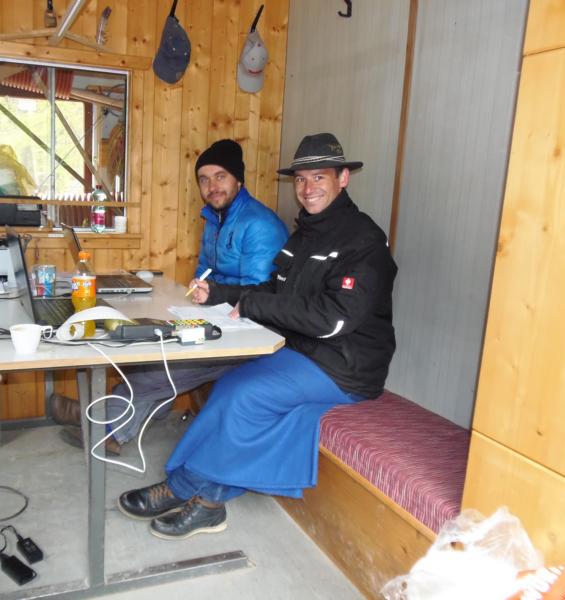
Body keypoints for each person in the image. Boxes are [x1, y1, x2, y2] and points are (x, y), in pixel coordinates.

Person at [117, 132, 398, 539]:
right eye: (301, 179)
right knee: (231, 385)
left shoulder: (363, 240)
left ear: (342, 178)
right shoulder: (307, 234)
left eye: (319, 177)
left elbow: (334, 319)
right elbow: (275, 290)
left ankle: (190, 491)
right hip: (307, 351)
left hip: (345, 366)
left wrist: (253, 305)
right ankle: (195, 492)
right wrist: (222, 294)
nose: (308, 188)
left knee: (247, 396)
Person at [54, 139, 289, 454]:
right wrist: (195, 295)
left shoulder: (259, 224)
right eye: (204, 180)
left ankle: (103, 426)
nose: (212, 187)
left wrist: (211, 304)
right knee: (149, 340)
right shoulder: (215, 218)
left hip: (251, 332)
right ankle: (116, 416)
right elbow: (205, 270)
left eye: (220, 177)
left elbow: (259, 297)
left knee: (158, 367)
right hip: (219, 316)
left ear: (238, 179)